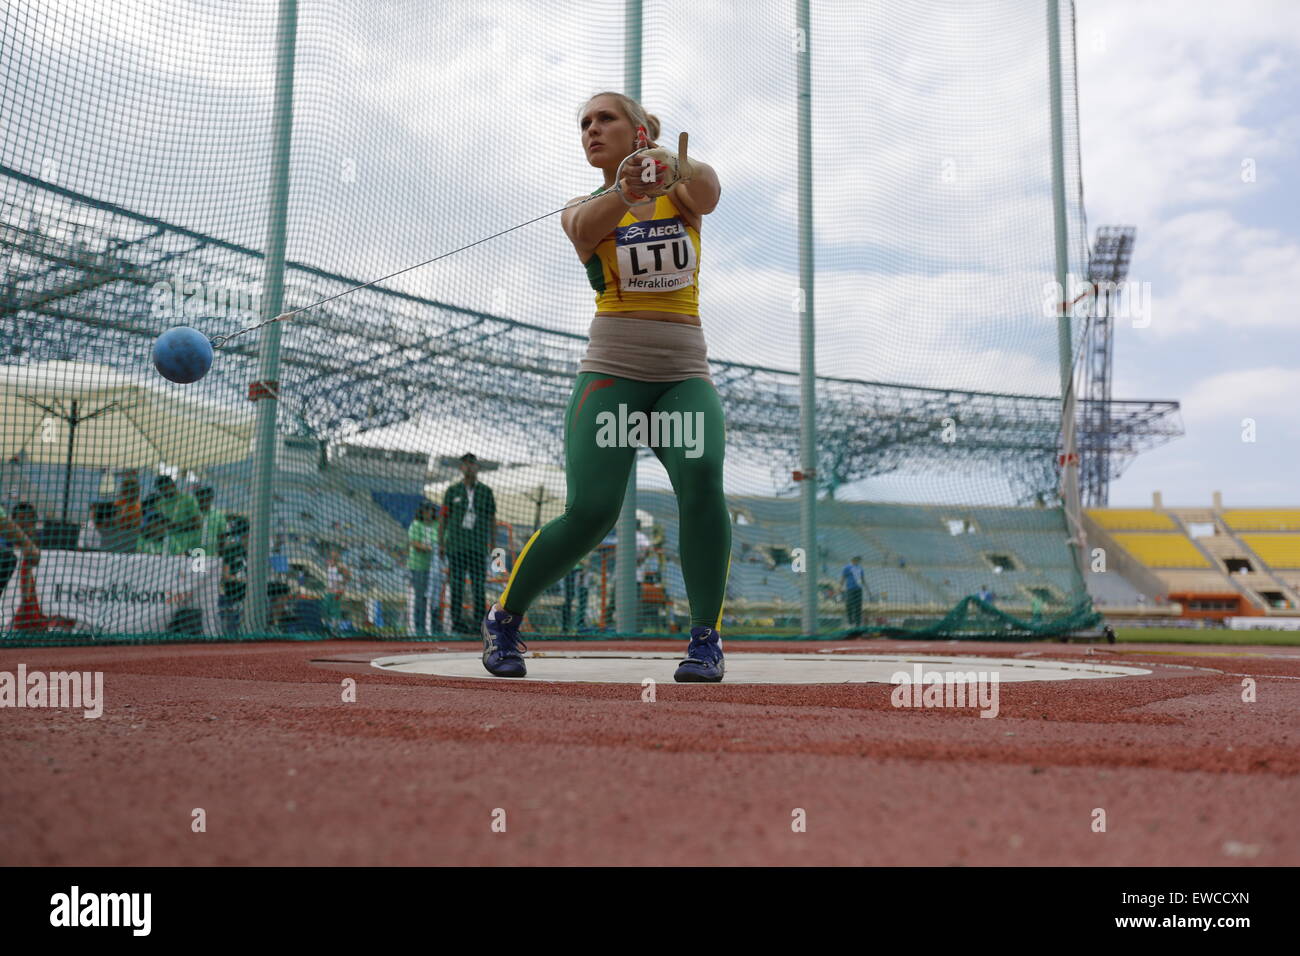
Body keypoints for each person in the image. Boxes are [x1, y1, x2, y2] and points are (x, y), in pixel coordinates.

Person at [480, 92, 726, 682]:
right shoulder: (583, 207)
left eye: (605, 118)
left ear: (638, 131)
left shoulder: (680, 194)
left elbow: (711, 192)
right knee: (592, 512)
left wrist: (681, 166)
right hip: (613, 374)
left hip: (681, 376)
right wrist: (625, 191)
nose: (591, 129)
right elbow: (585, 227)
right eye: (584, 123)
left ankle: (705, 641)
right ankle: (505, 619)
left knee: (700, 477)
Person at [439, 454, 495, 634]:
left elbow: (492, 519)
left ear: (477, 467)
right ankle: (457, 623)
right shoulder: (452, 491)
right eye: (466, 464)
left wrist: (493, 546)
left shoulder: (485, 492)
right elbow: (443, 518)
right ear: (461, 468)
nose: (469, 467)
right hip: (456, 546)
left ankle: (479, 623)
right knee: (456, 585)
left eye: (472, 464)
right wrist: (441, 543)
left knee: (479, 586)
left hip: (478, 547)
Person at [407, 500, 441, 635]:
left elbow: (440, 540)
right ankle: (419, 627)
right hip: (419, 565)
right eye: (426, 510)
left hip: (434, 566)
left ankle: (434, 626)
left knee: (434, 597)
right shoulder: (416, 525)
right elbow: (415, 543)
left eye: (430, 510)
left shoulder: (436, 525)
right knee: (420, 596)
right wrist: (428, 548)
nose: (428, 513)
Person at [0, 502, 41, 598]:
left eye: (30, 518)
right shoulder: (3, 541)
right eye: (22, 518)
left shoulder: (45, 539)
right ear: (12, 521)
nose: (26, 522)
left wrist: (31, 537)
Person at [153, 475, 201, 556]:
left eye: (163, 488)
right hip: (168, 549)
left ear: (172, 485)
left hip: (188, 548)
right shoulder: (159, 504)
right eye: (159, 489)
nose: (161, 491)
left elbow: (197, 524)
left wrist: (176, 526)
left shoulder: (188, 499)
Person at [841, 555, 866, 627]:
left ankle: (858, 623)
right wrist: (840, 587)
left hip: (858, 589)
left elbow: (863, 579)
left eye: (859, 560)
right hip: (850, 589)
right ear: (853, 560)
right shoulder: (847, 568)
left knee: (858, 606)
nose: (858, 561)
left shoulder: (860, 568)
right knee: (849, 604)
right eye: (856, 559)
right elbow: (843, 578)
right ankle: (850, 621)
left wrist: (868, 590)